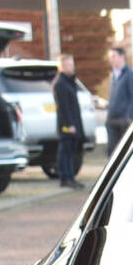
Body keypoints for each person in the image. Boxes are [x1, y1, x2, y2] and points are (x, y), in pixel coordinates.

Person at [52, 54, 84, 190]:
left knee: (70, 151)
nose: (73, 67)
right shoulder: (61, 84)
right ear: (63, 67)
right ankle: (65, 178)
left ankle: (70, 177)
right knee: (65, 151)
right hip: (67, 126)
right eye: (70, 65)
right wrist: (69, 125)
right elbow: (63, 107)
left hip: (73, 123)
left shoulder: (69, 82)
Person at [105, 46, 133, 156]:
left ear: (122, 57)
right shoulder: (114, 76)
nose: (111, 59)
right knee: (112, 152)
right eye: (110, 57)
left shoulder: (130, 76)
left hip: (123, 120)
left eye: (114, 56)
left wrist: (128, 116)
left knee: (123, 152)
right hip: (112, 119)